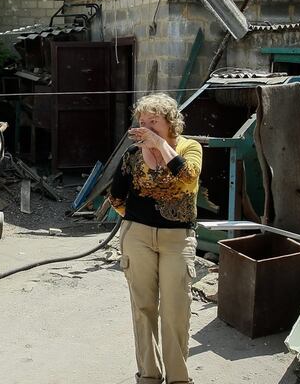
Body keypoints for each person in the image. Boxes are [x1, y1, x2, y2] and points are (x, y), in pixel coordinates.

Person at [109, 93, 203, 384]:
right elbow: (115, 197)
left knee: (175, 311)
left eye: (154, 122)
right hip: (137, 237)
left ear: (170, 122)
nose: (146, 128)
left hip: (177, 240)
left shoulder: (189, 147)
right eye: (143, 122)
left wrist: (160, 144)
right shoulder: (133, 155)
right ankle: (149, 377)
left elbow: (188, 177)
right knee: (143, 309)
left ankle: (178, 379)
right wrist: (137, 221)